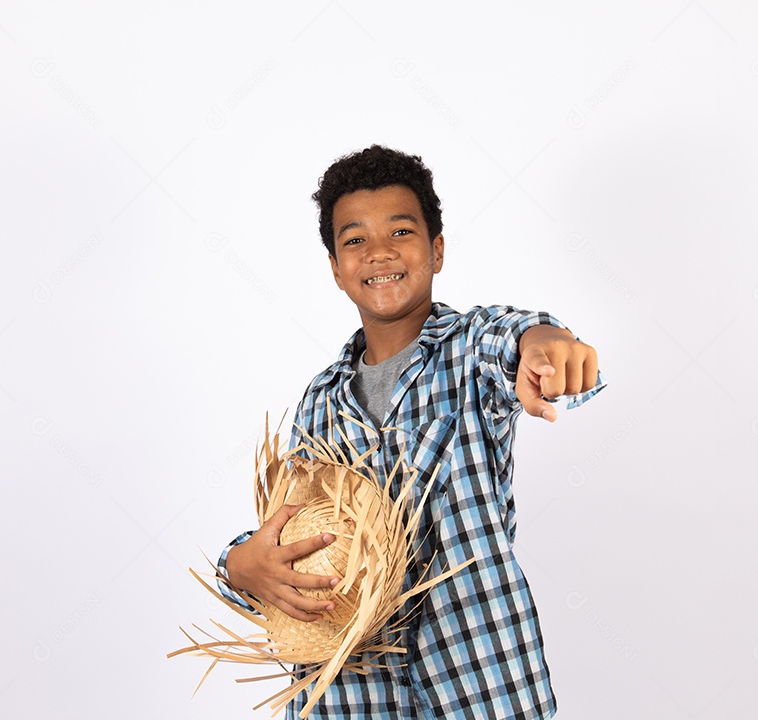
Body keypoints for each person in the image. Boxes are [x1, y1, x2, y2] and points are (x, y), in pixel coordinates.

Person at [217, 145, 604, 719]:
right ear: (334, 267)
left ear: (436, 250)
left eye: (401, 231)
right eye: (354, 240)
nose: (378, 252)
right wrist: (239, 567)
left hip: (478, 687)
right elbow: (299, 532)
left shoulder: (471, 350)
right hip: (353, 696)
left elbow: (520, 336)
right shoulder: (320, 404)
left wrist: (548, 347)